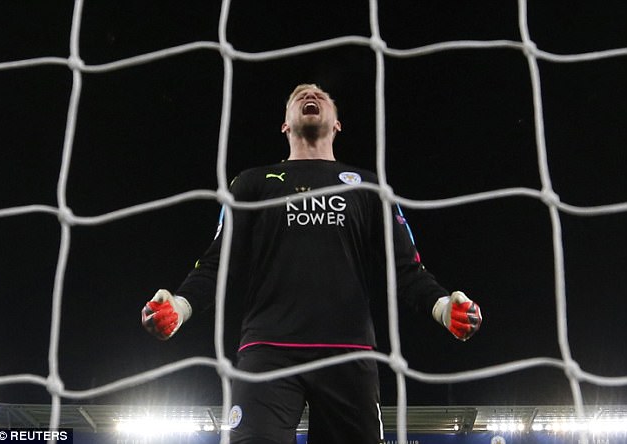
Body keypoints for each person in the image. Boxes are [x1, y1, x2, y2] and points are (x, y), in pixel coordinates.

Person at [141, 83, 483, 444]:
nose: (311, 94)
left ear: (337, 124)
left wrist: (445, 307)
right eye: (299, 95)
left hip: (348, 352)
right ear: (285, 125)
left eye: (321, 95)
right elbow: (217, 263)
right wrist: (180, 305)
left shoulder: (368, 187)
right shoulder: (252, 183)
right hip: (268, 349)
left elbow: (406, 269)